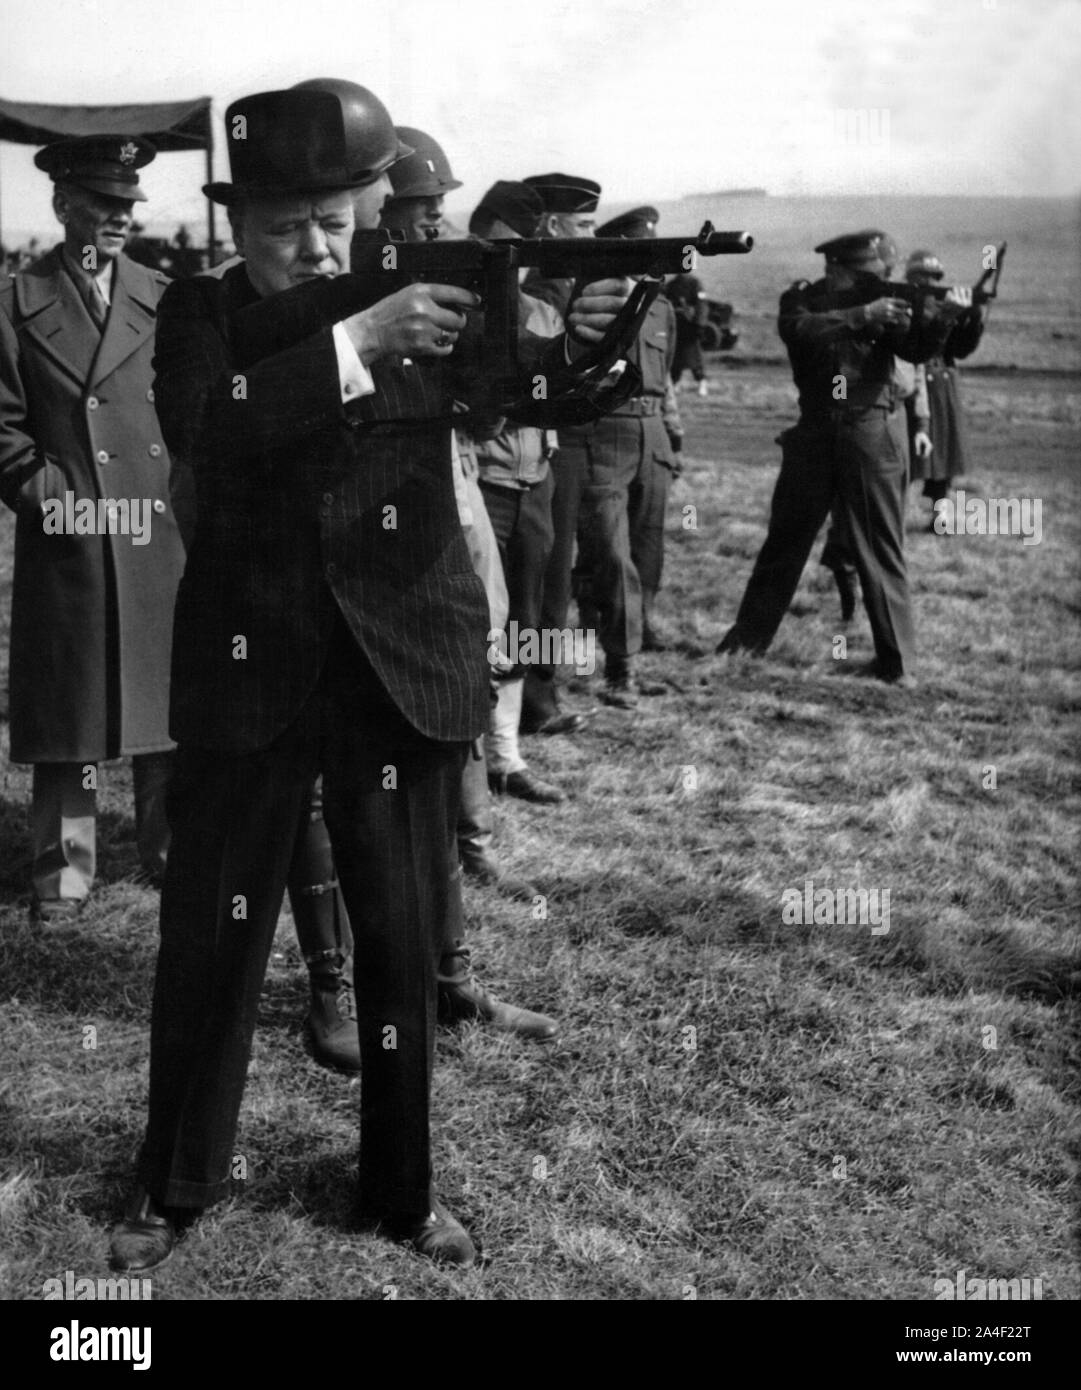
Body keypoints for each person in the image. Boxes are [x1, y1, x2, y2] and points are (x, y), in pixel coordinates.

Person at [107, 81, 633, 1273]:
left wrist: (589, 321)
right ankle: (175, 1178)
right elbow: (211, 427)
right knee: (213, 936)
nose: (318, 245)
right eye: (289, 225)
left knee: (398, 945)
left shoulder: (424, 298)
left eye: (337, 218)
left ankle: (402, 1189)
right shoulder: (201, 316)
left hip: (400, 663)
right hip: (251, 669)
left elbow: (536, 395)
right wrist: (355, 342)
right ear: (238, 227)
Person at [0, 136, 186, 920]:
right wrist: (60, 500)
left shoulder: (167, 296)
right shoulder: (15, 300)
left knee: (168, 710)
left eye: (127, 206)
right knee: (71, 714)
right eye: (103, 204)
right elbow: (5, 434)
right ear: (62, 204)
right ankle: (66, 876)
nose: (119, 219)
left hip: (157, 533)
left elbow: (188, 414)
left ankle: (174, 854)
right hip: (71, 538)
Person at [716, 229, 960, 685]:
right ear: (836, 270)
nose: (878, 282)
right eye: (868, 275)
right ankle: (744, 646)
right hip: (815, 430)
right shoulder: (803, 301)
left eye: (880, 275)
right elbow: (799, 331)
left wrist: (943, 320)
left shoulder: (884, 302)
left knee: (881, 548)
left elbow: (914, 349)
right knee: (785, 545)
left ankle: (898, 664)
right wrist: (860, 314)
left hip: (870, 428)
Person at [466, 180, 569, 803]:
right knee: (476, 623)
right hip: (484, 479)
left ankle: (506, 757)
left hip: (535, 482)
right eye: (503, 245)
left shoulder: (540, 311)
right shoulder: (460, 304)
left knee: (523, 621)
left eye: (523, 248)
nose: (514, 258)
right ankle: (471, 767)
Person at [573, 205, 683, 704]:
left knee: (648, 550)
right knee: (611, 555)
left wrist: (673, 438)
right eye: (641, 253)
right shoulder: (594, 299)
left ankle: (633, 648)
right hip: (606, 431)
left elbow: (670, 384)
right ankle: (621, 670)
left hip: (653, 433)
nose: (649, 265)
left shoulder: (663, 310)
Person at [517, 172, 603, 735]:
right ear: (551, 226)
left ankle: (540, 695)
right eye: (583, 224)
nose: (591, 236)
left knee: (552, 578)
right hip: (553, 446)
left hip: (558, 443)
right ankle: (535, 701)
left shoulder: (563, 282)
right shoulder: (548, 290)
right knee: (545, 580)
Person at [904, 248, 988, 527]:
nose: (928, 282)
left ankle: (939, 514)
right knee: (906, 457)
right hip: (912, 383)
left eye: (933, 277)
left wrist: (973, 317)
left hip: (942, 384)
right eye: (923, 276)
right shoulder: (903, 306)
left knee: (945, 458)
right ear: (911, 277)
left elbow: (960, 349)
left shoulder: (943, 305)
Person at [666, 270, 710, 396]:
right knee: (676, 358)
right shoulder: (672, 285)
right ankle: (675, 384)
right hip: (676, 326)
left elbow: (701, 305)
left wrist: (699, 324)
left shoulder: (694, 283)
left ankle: (702, 382)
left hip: (691, 327)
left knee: (694, 357)